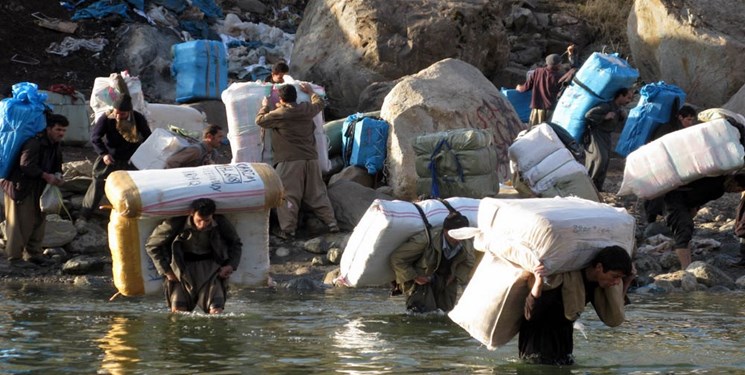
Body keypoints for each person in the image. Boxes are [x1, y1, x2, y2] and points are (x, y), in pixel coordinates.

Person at [519, 246, 635, 365]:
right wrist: (538, 282)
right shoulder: (560, 279)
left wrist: (627, 281)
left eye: (620, 278)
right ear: (599, 267)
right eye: (614, 276)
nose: (616, 282)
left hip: (564, 346)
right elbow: (530, 315)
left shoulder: (597, 285)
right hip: (537, 347)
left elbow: (614, 308)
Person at [255, 83, 339, 239]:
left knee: (288, 195)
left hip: (290, 161)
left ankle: (288, 230)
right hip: (311, 159)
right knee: (317, 193)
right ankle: (331, 222)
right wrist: (311, 92)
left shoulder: (279, 114)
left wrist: (265, 106)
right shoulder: (306, 109)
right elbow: (319, 103)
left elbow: (260, 121)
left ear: (281, 99)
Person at [145, 198, 242, 314]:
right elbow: (152, 246)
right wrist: (167, 271)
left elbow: (235, 243)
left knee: (216, 311)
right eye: (199, 220)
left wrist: (230, 265)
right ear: (191, 213)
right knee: (178, 312)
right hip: (181, 270)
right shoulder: (175, 224)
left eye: (207, 221)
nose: (202, 225)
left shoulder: (220, 222)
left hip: (211, 269)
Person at [1, 114, 68, 268]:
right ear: (49, 128)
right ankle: (14, 258)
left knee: (38, 220)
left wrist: (58, 176)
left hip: (39, 188)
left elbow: (57, 165)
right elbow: (26, 166)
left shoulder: (55, 145)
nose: (61, 133)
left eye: (64, 130)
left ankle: (34, 254)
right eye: (58, 129)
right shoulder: (34, 143)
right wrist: (46, 176)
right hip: (20, 187)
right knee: (19, 223)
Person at [77, 94, 151, 223]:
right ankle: (84, 215)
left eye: (122, 114)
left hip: (130, 159)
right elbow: (96, 138)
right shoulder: (107, 118)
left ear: (128, 112)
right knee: (98, 183)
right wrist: (104, 153)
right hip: (109, 157)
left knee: (130, 188)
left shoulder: (138, 119)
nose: (118, 116)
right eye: (116, 113)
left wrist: (141, 155)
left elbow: (148, 137)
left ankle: (127, 216)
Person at [389, 209, 475, 313]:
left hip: (446, 282)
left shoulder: (466, 241)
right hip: (421, 282)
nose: (458, 239)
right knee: (421, 316)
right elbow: (397, 258)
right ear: (445, 230)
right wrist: (414, 276)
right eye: (454, 234)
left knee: (445, 316)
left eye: (460, 235)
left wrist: (455, 276)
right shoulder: (425, 240)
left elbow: (469, 261)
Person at [662, 175, 745, 269]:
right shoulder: (716, 184)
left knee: (685, 233)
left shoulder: (719, 188)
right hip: (673, 201)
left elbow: (698, 196)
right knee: (683, 233)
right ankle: (686, 271)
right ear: (734, 182)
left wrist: (693, 209)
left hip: (684, 202)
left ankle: (688, 267)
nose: (736, 192)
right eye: (738, 189)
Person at [642, 105, 698, 228]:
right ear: (680, 117)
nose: (691, 122)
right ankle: (651, 219)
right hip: (660, 165)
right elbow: (657, 146)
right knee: (657, 192)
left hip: (674, 166)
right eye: (688, 119)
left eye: (692, 120)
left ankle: (665, 218)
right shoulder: (667, 128)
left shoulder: (683, 130)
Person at [583, 87, 634, 191]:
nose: (629, 101)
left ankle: (598, 188)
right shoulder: (606, 106)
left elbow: (615, 121)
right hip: (596, 134)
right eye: (628, 98)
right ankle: (588, 185)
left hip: (606, 136)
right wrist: (604, 117)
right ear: (620, 96)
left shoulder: (618, 109)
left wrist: (622, 117)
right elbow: (588, 115)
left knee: (605, 161)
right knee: (599, 159)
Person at [516, 48, 571, 125]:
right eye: (560, 63)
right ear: (558, 65)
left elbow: (526, 87)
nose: (561, 65)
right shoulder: (560, 77)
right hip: (551, 110)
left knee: (533, 131)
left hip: (537, 108)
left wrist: (518, 88)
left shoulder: (537, 72)